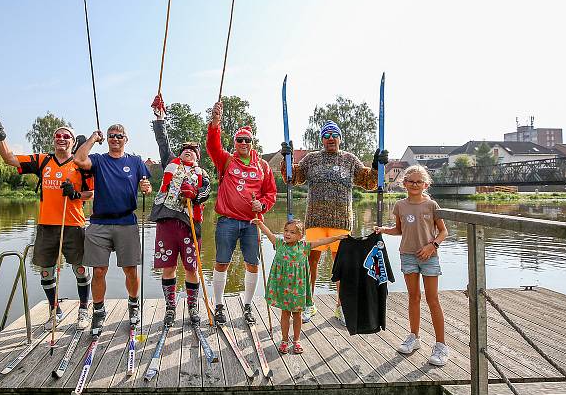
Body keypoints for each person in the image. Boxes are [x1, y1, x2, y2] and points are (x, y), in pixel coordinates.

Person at [0, 117, 94, 330]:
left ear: (73, 142)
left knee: (80, 269)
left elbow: (91, 194)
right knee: (46, 271)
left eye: (66, 136)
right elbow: (9, 158)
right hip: (47, 225)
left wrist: (75, 194)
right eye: (58, 136)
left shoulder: (81, 164)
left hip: (73, 224)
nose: (61, 139)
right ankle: (55, 310)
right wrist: (0, 137)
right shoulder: (42, 160)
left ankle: (84, 309)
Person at [281, 121, 388, 325]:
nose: (331, 138)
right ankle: (308, 305)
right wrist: (287, 158)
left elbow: (369, 182)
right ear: (322, 139)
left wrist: (377, 165)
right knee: (309, 263)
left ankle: (342, 306)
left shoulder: (349, 159)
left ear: (339, 138)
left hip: (341, 221)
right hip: (315, 221)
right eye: (326, 135)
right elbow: (292, 178)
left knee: (343, 266)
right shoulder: (312, 159)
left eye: (334, 135)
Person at [74, 124, 152, 335]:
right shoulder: (99, 160)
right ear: (106, 139)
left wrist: (146, 188)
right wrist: (92, 138)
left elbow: (147, 185)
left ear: (126, 138)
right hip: (100, 223)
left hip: (127, 222)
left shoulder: (135, 161)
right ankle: (98, 312)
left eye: (119, 136)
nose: (115, 139)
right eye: (111, 136)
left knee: (130, 269)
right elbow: (79, 160)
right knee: (99, 270)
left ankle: (133, 306)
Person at [206, 100, 277, 325]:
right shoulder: (226, 160)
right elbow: (212, 146)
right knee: (221, 262)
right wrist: (215, 122)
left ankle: (247, 305)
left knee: (252, 264)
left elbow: (271, 193)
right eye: (240, 140)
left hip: (252, 223)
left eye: (247, 140)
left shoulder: (263, 166)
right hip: (227, 221)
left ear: (252, 143)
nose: (243, 143)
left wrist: (263, 205)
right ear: (235, 142)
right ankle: (218, 305)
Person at [375, 165, 449, 366]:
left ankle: (441, 345)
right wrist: (383, 230)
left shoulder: (432, 205)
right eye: (411, 181)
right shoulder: (400, 205)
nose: (415, 184)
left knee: (433, 299)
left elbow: (443, 232)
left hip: (429, 256)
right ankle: (414, 337)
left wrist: (431, 246)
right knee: (413, 297)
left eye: (419, 181)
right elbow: (399, 229)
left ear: (426, 184)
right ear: (404, 183)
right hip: (408, 255)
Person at [150, 95, 211, 326]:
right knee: (168, 267)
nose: (188, 151)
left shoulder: (203, 174)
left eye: (193, 150)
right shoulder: (170, 161)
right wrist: (160, 118)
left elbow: (206, 194)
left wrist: (194, 194)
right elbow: (162, 141)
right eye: (185, 149)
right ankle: (170, 308)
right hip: (166, 221)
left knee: (192, 268)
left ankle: (193, 308)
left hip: (189, 225)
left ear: (197, 157)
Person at [252, 218, 347, 354]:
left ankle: (296, 340)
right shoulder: (279, 244)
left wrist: (337, 237)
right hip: (283, 286)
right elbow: (269, 234)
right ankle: (284, 340)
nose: (287, 234)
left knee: (297, 314)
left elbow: (321, 241)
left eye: (292, 232)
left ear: (300, 236)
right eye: (286, 231)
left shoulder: (304, 247)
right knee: (285, 313)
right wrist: (260, 224)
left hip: (298, 288)